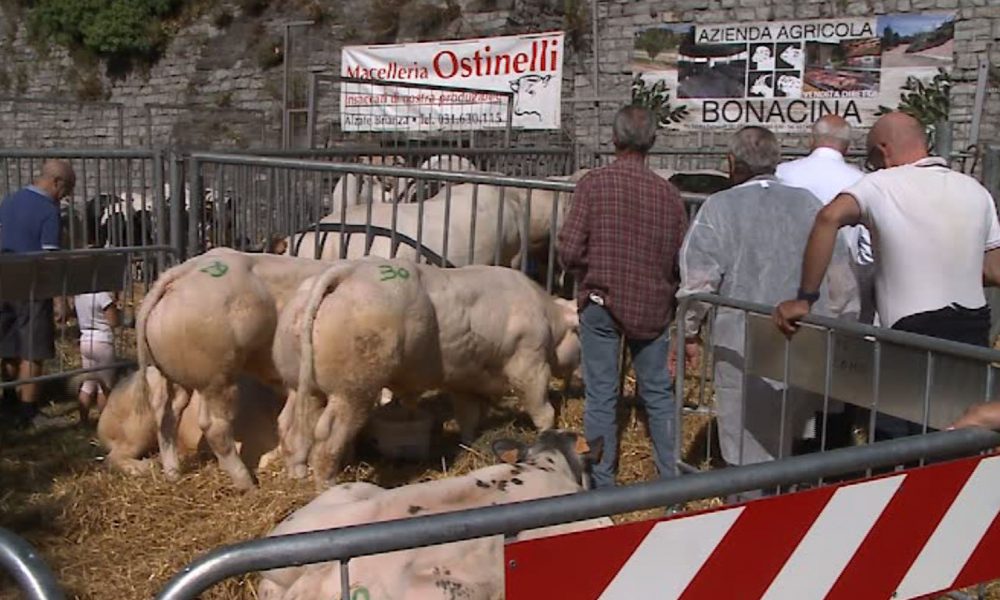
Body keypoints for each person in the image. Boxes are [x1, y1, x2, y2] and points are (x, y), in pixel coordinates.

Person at [774, 112, 1000, 439]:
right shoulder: (974, 190)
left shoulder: (881, 184)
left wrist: (805, 298)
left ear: (883, 150)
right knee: (958, 434)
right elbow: (993, 269)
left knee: (896, 439)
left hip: (911, 332)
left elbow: (828, 218)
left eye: (871, 159)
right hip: (973, 327)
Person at [675, 126, 859, 478]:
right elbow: (841, 279)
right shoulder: (810, 204)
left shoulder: (719, 208)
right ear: (777, 160)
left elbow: (698, 281)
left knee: (747, 439)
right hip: (803, 337)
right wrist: (843, 329)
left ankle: (752, 504)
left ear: (732, 163)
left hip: (741, 342)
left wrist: (689, 329)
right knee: (793, 432)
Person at [557, 104, 688, 489]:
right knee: (659, 395)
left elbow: (569, 249)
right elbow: (681, 259)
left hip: (602, 302)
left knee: (601, 394)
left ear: (614, 139)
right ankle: (673, 485)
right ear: (652, 141)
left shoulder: (593, 184)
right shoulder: (669, 195)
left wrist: (589, 270)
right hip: (652, 307)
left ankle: (602, 486)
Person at [0, 159, 75, 428]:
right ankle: (29, 412)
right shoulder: (48, 211)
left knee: (8, 345)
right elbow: (49, 258)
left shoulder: (9, 201)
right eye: (66, 190)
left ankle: (9, 401)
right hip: (32, 285)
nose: (64, 197)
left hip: (4, 279)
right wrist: (60, 299)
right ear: (57, 182)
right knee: (33, 348)